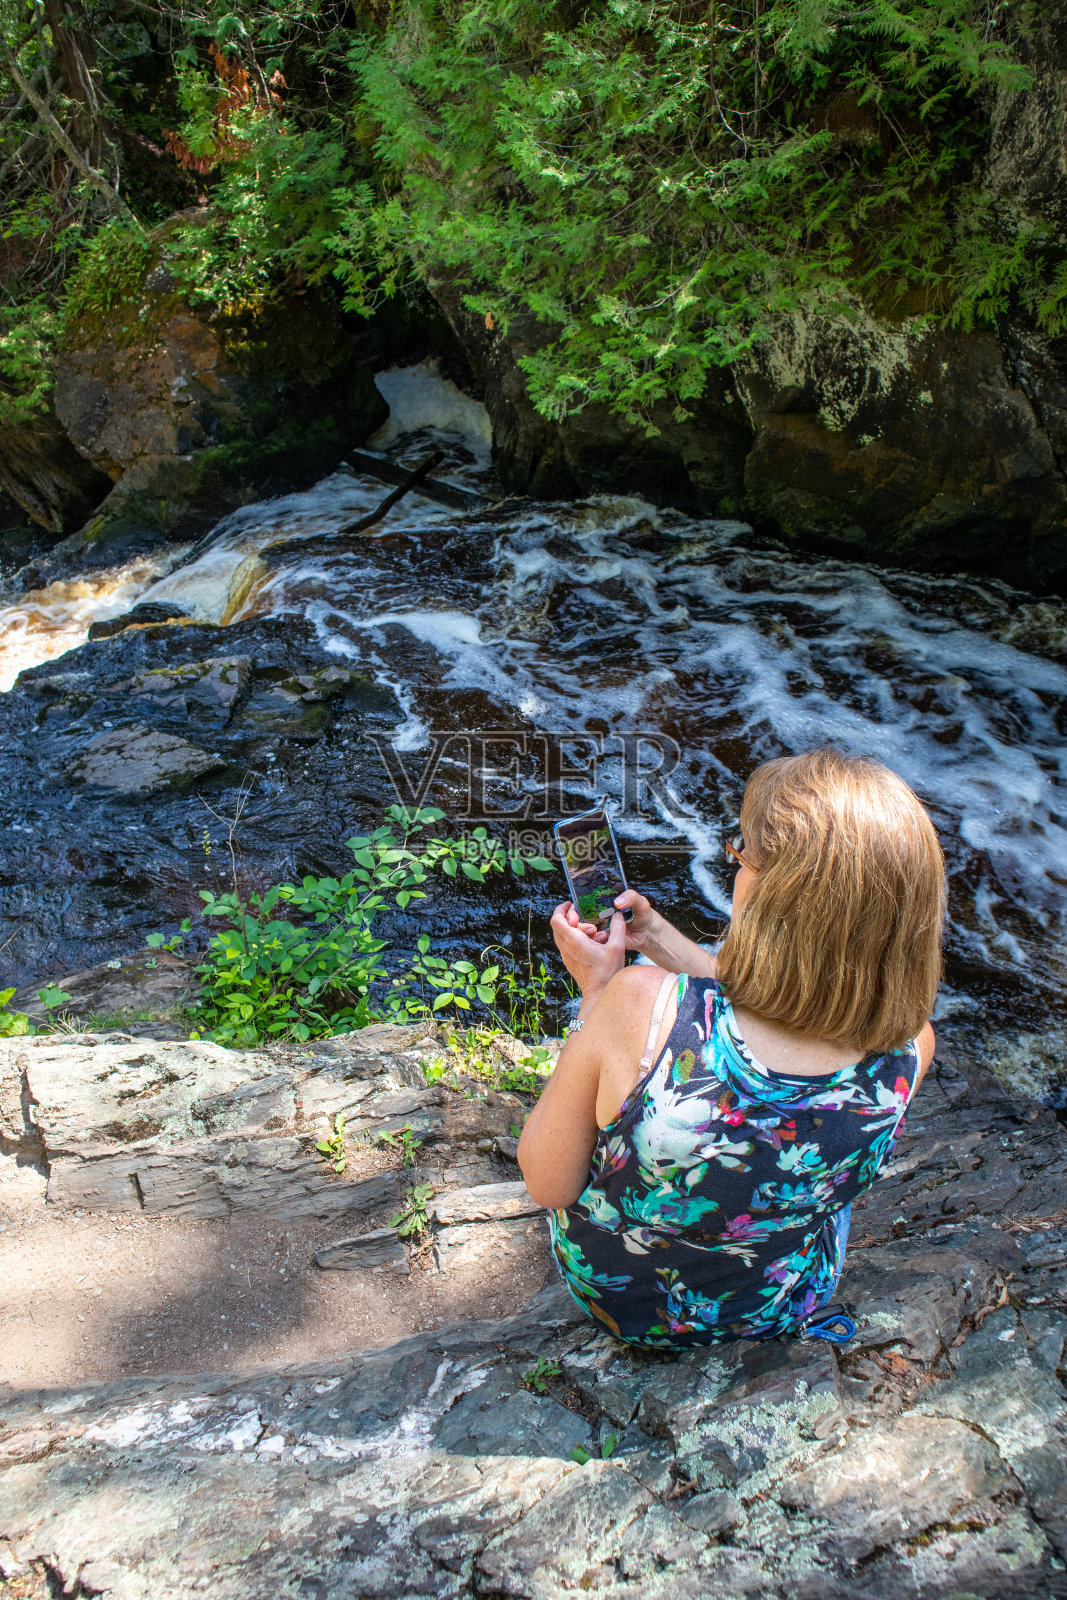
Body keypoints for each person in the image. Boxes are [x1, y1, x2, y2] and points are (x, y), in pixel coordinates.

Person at [518, 748, 945, 1347]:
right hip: (779, 1302)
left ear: (780, 895)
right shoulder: (909, 1049)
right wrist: (655, 935)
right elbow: (776, 1012)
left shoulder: (635, 1005)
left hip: (625, 1303)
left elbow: (548, 1183)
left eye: (741, 853)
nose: (734, 865)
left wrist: (597, 997)